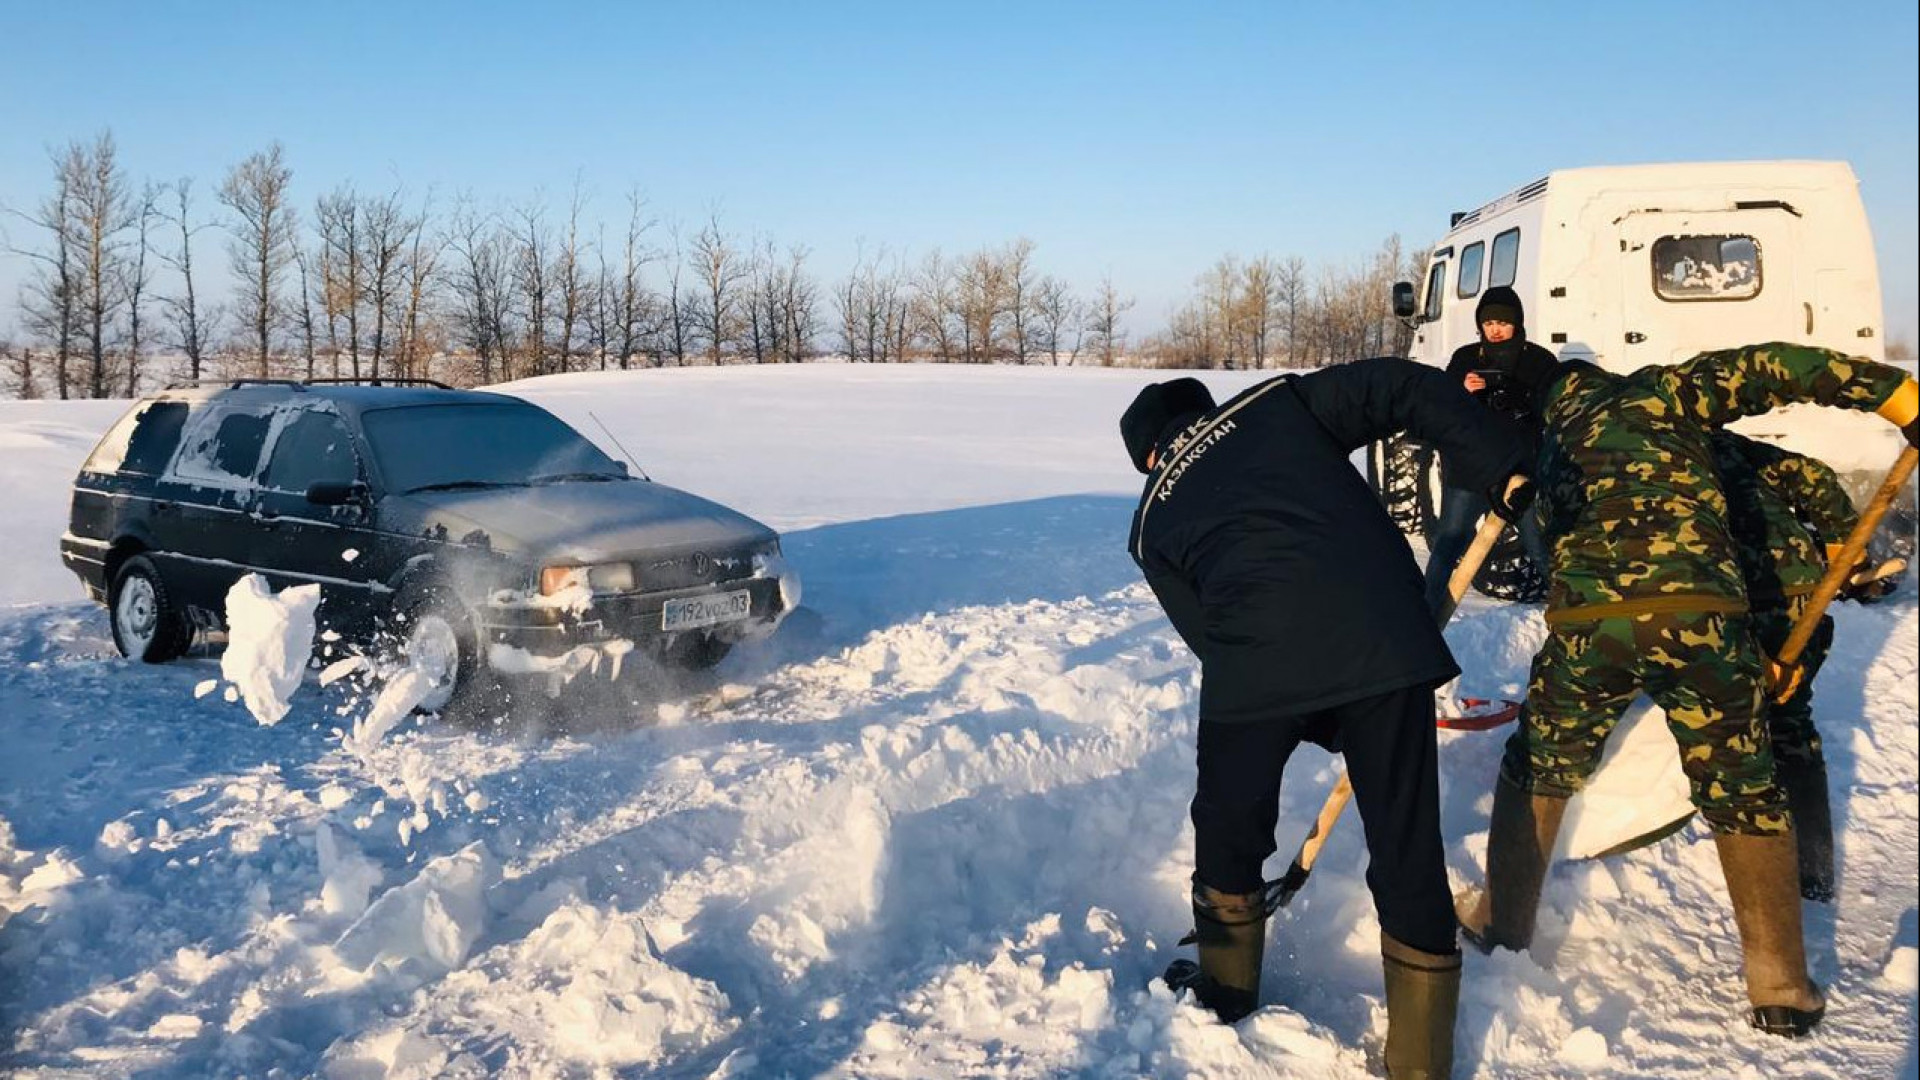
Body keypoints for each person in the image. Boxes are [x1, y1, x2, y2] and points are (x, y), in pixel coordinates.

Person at [1456, 341, 1918, 1039]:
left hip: (1590, 625)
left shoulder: (1555, 445)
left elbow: (1551, 542)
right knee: (1743, 780)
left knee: (1540, 766)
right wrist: (1897, 398)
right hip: (1704, 617)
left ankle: (1502, 926)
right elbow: (1777, 368)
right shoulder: (1668, 393)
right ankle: (1780, 986)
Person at [1120, 357, 1529, 1079]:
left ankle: (1224, 988)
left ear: (1150, 458)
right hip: (1383, 638)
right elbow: (1405, 386)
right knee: (1405, 840)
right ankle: (1420, 1059)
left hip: (1255, 667)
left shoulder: (1151, 523)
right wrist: (1495, 460)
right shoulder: (1277, 403)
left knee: (1228, 822)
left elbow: (1206, 640)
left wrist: (1305, 712)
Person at [1711, 429, 1901, 902]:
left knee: (1742, 727)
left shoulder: (1654, 450)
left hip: (1740, 594)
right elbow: (1811, 474)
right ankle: (1812, 873)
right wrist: (1843, 546)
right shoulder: (1727, 441)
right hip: (1798, 586)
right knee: (1790, 723)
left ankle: (1769, 879)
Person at [1422, 285, 1558, 614]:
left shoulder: (1539, 361)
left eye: (1503, 323)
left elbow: (1556, 409)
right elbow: (1439, 408)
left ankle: (1573, 615)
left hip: (1520, 477)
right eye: (1488, 323)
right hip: (1470, 473)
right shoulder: (1465, 359)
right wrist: (1460, 391)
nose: (1495, 330)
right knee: (1447, 544)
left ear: (1518, 324)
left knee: (1540, 548)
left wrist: (1521, 399)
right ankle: (1424, 618)